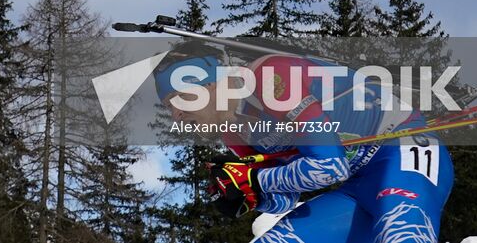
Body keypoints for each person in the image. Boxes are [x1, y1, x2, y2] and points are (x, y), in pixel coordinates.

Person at [154, 43, 454, 243]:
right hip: (360, 184)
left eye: (178, 98)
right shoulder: (234, 132)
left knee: (401, 230)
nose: (176, 113)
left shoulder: (270, 79)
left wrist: (258, 178)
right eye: (168, 106)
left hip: (404, 148)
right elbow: (288, 195)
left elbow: (330, 166)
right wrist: (248, 196)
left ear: (210, 83)